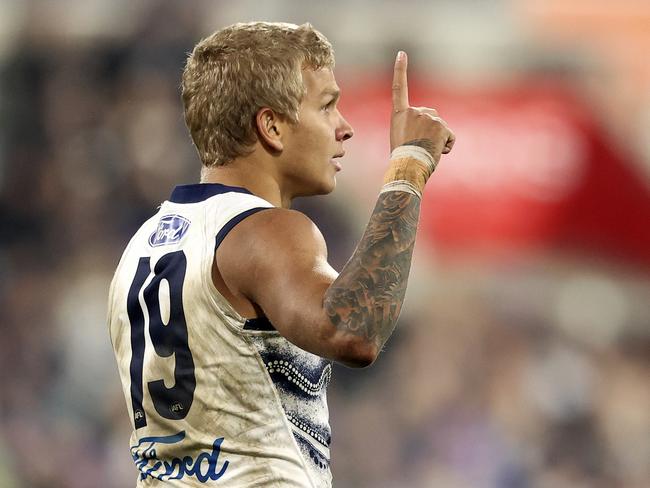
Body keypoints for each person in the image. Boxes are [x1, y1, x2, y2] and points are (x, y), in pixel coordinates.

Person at [108, 21, 454, 487]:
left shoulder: (143, 245)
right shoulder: (264, 231)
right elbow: (354, 330)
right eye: (327, 105)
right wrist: (408, 165)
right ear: (271, 126)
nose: (345, 128)